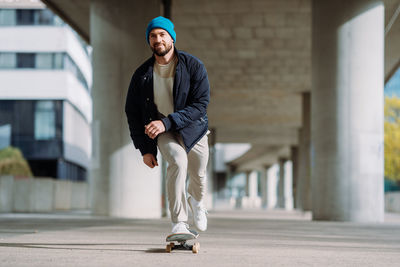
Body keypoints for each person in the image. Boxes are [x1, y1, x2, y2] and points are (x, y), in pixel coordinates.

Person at [125, 16, 210, 235]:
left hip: (194, 128)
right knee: (178, 163)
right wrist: (145, 149)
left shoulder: (193, 66)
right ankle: (179, 222)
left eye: (162, 34)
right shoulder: (142, 75)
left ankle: (198, 202)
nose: (157, 39)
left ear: (171, 37)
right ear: (149, 41)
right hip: (165, 132)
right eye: (153, 36)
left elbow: (200, 105)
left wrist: (167, 121)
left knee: (198, 174)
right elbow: (133, 113)